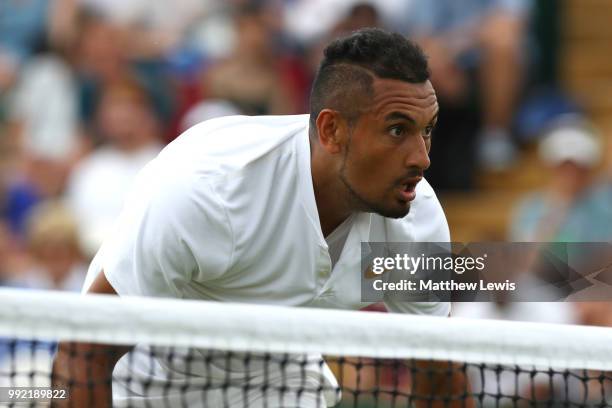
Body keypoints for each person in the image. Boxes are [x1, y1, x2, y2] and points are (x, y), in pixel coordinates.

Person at [52, 28, 468, 407]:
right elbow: (84, 354)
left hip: (282, 385)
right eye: (397, 130)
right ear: (332, 131)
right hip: (149, 385)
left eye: (426, 130)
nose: (422, 158)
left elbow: (439, 375)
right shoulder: (210, 192)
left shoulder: (416, 216)